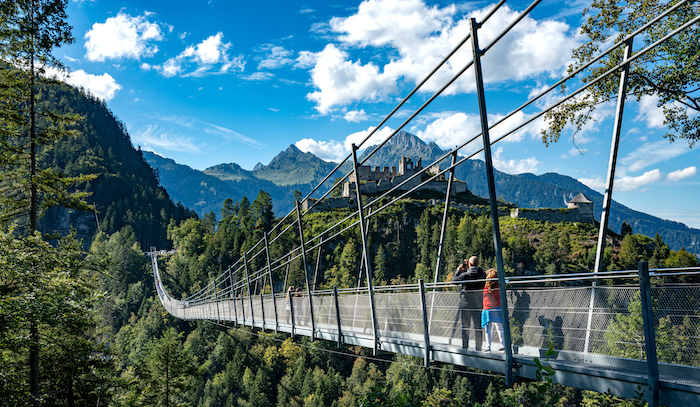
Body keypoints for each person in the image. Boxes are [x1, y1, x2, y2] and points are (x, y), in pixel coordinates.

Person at [452, 256, 485, 350]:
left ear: (469, 264)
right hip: (478, 304)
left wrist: (459, 270)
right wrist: (472, 267)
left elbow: (454, 281)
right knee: (478, 327)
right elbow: (481, 272)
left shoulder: (465, 275)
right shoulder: (482, 274)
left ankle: (465, 346)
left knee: (465, 326)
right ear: (478, 264)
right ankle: (478, 347)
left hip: (465, 304)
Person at [482, 268, 505, 352]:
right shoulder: (499, 285)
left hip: (487, 308)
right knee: (500, 327)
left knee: (488, 329)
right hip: (497, 307)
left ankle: (488, 347)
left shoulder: (486, 286)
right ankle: (503, 345)